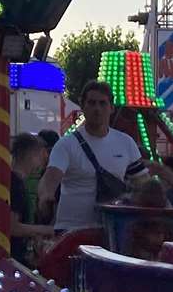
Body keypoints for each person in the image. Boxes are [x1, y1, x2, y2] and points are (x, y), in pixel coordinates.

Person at [40, 82, 143, 233]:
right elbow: (50, 178)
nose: (97, 109)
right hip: (72, 231)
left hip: (112, 231)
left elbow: (143, 183)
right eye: (92, 103)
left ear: (111, 108)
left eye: (102, 103)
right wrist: (45, 196)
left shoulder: (126, 143)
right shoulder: (66, 145)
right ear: (83, 107)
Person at [8, 132, 54, 264]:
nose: (43, 161)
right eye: (41, 156)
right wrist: (46, 230)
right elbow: (12, 227)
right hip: (14, 257)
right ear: (31, 155)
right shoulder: (16, 185)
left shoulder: (15, 181)